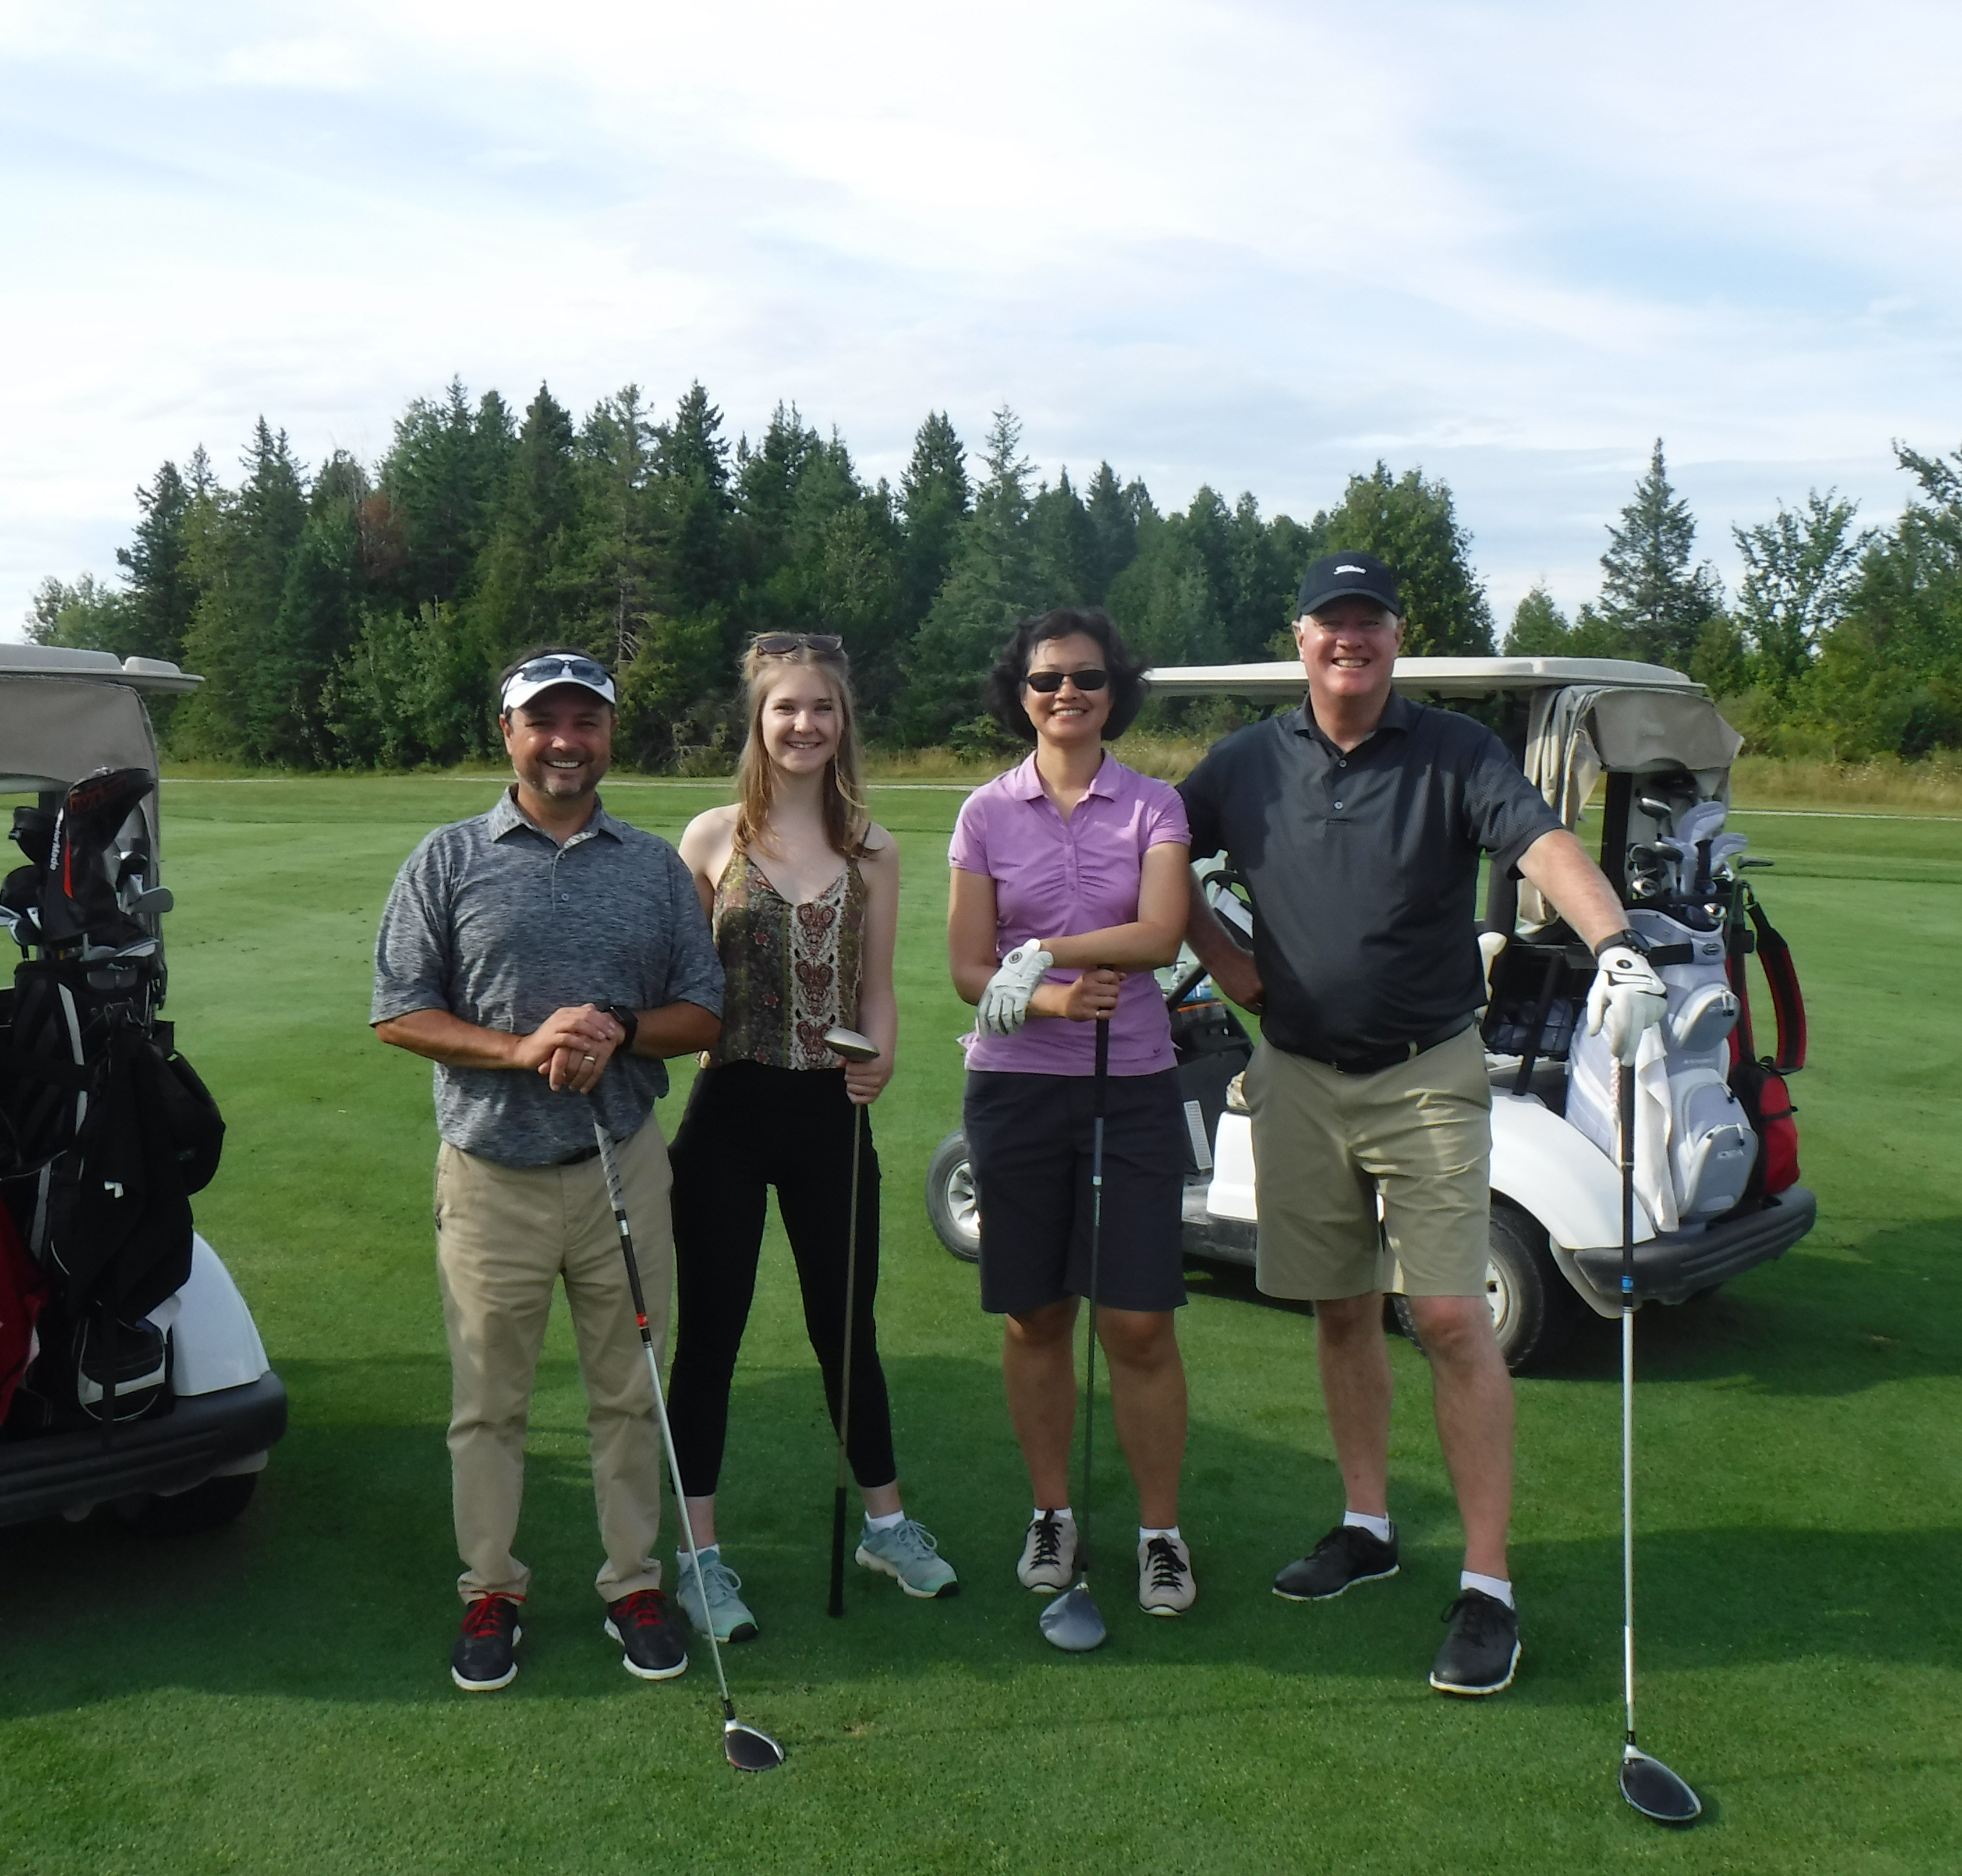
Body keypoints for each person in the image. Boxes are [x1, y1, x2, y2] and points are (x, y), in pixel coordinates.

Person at [1178, 551, 1667, 1697]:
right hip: (1296, 1073)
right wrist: (1222, 957)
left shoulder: (1457, 751)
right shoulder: (1246, 762)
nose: (1350, 641)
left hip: (1426, 1070)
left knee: (1449, 1313)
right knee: (1341, 1308)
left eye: (1371, 624)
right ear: (1299, 638)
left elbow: (1543, 847)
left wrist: (1618, 945)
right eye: (1330, 623)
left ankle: (1488, 1587)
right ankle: (1367, 1525)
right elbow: (1151, 851)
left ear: (1397, 638)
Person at [371, 648, 726, 1696]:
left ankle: (634, 1584)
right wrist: (522, 1047)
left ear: (610, 736)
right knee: (490, 1400)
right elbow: (399, 1010)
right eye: (545, 721)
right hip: (492, 1175)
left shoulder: (653, 866)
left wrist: (614, 1028)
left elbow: (702, 1011)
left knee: (630, 1391)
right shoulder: (447, 859)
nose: (566, 740)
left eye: (587, 721)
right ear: (508, 733)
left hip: (622, 1165)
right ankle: (493, 1589)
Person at [664, 631, 957, 1643]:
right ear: (759, 720)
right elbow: (685, 991)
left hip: (832, 1115)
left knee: (848, 1332)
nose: (804, 725)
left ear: (843, 723)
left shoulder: (873, 846)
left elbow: (876, 990)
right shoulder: (711, 839)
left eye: (821, 710)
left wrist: (880, 1056)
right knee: (712, 1336)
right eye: (785, 709)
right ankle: (699, 1555)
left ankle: (887, 1525)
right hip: (727, 1110)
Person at [946, 609, 1199, 1617]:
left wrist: (1048, 955)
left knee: (1137, 1323)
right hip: (1014, 1088)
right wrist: (1041, 999)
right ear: (1022, 692)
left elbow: (1162, 930)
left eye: (1088, 679)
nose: (1067, 695)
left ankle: (1160, 1533)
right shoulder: (985, 812)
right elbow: (969, 968)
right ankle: (1051, 1512)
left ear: (1113, 692)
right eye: (1048, 680)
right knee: (1035, 1313)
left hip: (1128, 1083)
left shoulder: (1153, 806)